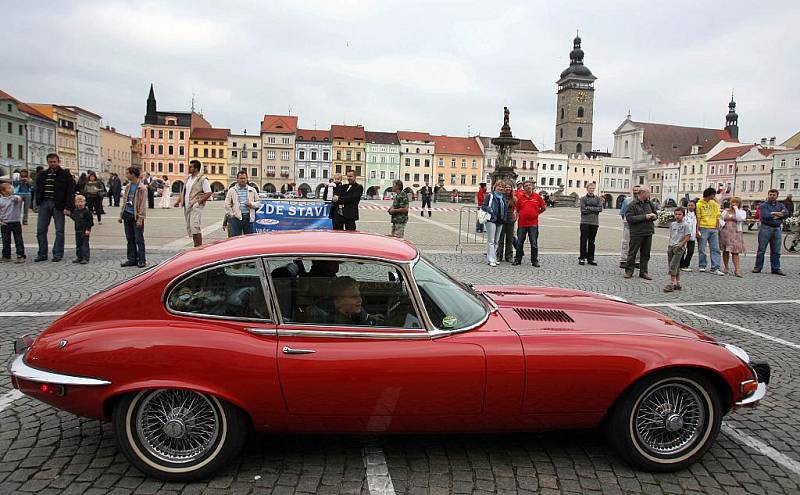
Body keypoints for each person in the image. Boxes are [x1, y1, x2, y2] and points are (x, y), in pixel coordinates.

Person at [34, 153, 75, 262]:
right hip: (44, 203)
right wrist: (37, 203)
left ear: (58, 161)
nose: (52, 164)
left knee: (59, 230)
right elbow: (37, 189)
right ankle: (42, 254)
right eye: (50, 162)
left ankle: (57, 253)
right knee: (40, 230)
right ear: (47, 162)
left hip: (59, 205)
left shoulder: (65, 175)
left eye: (54, 162)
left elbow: (70, 191)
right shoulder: (42, 174)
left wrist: (68, 207)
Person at [174, 160, 213, 247]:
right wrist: (178, 201)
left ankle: (199, 247)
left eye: (191, 167)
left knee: (195, 227)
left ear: (196, 168)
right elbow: (184, 191)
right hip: (187, 206)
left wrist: (198, 202)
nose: (189, 168)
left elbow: (208, 192)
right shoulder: (188, 179)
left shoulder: (202, 179)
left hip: (195, 206)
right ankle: (196, 247)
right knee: (191, 228)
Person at [753, 189, 789, 276]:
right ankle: (758, 267)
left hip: (777, 229)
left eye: (774, 195)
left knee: (776, 250)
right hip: (765, 228)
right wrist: (779, 215)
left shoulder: (781, 205)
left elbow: (786, 214)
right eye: (770, 194)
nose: (772, 196)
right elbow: (765, 216)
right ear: (768, 195)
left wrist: (773, 213)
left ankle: (776, 268)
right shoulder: (763, 205)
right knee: (761, 249)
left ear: (777, 196)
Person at [624, 188, 657, 280]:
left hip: (648, 231)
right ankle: (629, 271)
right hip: (637, 232)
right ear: (642, 194)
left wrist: (654, 216)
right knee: (632, 252)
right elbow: (629, 218)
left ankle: (644, 272)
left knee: (646, 253)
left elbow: (656, 214)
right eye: (648, 193)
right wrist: (644, 217)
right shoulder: (632, 205)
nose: (649, 195)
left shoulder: (649, 203)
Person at [512, 180, 546, 267]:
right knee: (519, 243)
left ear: (532, 187)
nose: (528, 187)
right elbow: (518, 209)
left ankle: (534, 260)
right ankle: (518, 259)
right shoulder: (520, 198)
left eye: (529, 185)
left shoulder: (537, 197)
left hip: (533, 224)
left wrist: (536, 213)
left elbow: (543, 207)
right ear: (523, 188)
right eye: (526, 185)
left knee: (533, 243)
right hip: (522, 224)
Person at [119, 167, 147, 267]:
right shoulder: (128, 186)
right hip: (127, 215)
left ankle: (142, 259)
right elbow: (125, 201)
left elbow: (143, 204)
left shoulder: (142, 188)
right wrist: (121, 214)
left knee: (139, 239)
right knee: (129, 238)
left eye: (127, 173)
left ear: (133, 174)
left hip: (136, 216)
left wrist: (140, 218)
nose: (126, 175)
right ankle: (132, 259)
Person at [696, 187, 724, 276]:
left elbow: (717, 214)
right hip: (703, 227)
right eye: (713, 195)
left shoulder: (714, 203)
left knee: (715, 248)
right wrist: (697, 229)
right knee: (702, 248)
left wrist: (717, 225)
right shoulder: (699, 204)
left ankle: (715, 267)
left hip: (713, 228)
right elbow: (698, 217)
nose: (714, 197)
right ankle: (702, 265)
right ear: (709, 195)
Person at [224, 171, 261, 236]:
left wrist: (251, 204)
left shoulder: (252, 190)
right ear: (237, 179)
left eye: (244, 178)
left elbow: (259, 203)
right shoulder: (232, 190)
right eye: (241, 178)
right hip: (236, 218)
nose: (243, 180)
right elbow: (227, 204)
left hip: (248, 218)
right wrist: (232, 215)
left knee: (249, 239)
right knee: (235, 239)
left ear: (247, 179)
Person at [481, 180, 508, 267]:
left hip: (500, 221)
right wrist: (490, 210)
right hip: (491, 220)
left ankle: (493, 257)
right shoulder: (490, 196)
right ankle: (491, 259)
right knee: (491, 241)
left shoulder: (503, 197)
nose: (501, 188)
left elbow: (505, 209)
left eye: (502, 187)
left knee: (496, 241)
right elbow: (483, 206)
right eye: (499, 186)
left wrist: (505, 217)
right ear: (495, 187)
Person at [664, 207, 690, 292]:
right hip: (671, 246)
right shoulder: (673, 224)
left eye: (679, 214)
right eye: (676, 214)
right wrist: (669, 244)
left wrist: (681, 244)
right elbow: (671, 235)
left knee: (673, 265)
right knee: (675, 266)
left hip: (679, 247)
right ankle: (678, 283)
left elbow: (687, 237)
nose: (677, 216)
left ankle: (672, 283)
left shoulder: (685, 225)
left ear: (683, 215)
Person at [719, 196, 747, 277]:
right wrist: (723, 224)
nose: (734, 204)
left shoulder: (742, 212)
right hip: (725, 233)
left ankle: (737, 269)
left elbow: (740, 218)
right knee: (725, 250)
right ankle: (726, 267)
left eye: (736, 202)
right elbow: (720, 218)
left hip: (736, 233)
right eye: (733, 202)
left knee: (735, 251)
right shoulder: (726, 211)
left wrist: (736, 209)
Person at [0, 182, 25, 263]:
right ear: (3, 191)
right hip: (5, 223)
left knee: (18, 239)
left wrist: (14, 196)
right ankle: (6, 256)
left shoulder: (14, 198)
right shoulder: (1, 200)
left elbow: (18, 199)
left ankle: (20, 255)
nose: (11, 189)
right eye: (9, 188)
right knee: (5, 240)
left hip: (15, 222)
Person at [578, 182, 603, 266]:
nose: (591, 190)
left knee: (592, 242)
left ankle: (590, 258)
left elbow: (600, 209)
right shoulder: (583, 198)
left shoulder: (598, 199)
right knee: (583, 241)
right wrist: (594, 209)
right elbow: (583, 210)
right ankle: (582, 258)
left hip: (594, 223)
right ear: (587, 189)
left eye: (593, 188)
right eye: (590, 188)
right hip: (585, 222)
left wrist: (589, 207)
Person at [619, 185, 641, 269]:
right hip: (628, 225)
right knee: (625, 243)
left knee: (638, 244)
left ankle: (637, 261)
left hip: (639, 226)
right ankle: (623, 260)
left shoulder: (642, 201)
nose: (636, 192)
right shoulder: (627, 200)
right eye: (634, 190)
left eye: (637, 190)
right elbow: (622, 213)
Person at [68, 194, 93, 264]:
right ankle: (79, 257)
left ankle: (86, 257)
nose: (80, 204)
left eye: (81, 202)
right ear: (75, 203)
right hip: (77, 230)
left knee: (85, 245)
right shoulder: (76, 211)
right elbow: (75, 218)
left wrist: (88, 229)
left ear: (85, 202)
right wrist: (69, 214)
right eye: (78, 202)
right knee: (78, 245)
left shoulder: (87, 212)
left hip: (85, 231)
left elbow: (90, 221)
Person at [495, 181, 517, 262]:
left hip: (510, 219)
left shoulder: (514, 198)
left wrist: (516, 217)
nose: (508, 188)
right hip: (502, 220)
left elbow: (517, 209)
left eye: (509, 187)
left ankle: (509, 256)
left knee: (510, 239)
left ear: (511, 189)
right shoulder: (501, 197)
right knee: (500, 239)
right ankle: (499, 255)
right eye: (506, 187)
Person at [680, 200, 698, 272]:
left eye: (692, 205)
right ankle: (681, 265)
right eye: (689, 205)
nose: (690, 207)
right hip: (684, 235)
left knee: (690, 251)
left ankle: (686, 264)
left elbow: (697, 224)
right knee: (682, 251)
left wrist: (697, 231)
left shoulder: (696, 214)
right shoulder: (684, 213)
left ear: (695, 206)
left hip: (692, 235)